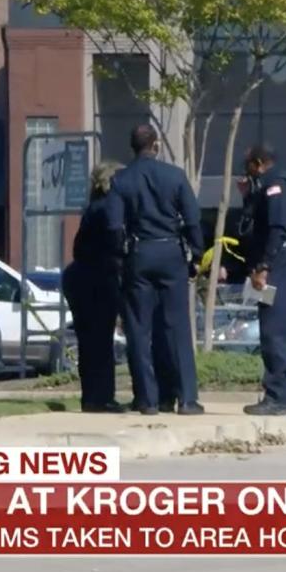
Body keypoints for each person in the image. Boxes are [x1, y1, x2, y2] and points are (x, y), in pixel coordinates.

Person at [107, 124, 205, 415]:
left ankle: (147, 399)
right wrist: (196, 254)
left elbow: (113, 226)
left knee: (139, 329)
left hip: (140, 252)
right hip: (171, 251)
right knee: (177, 327)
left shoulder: (121, 180)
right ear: (156, 145)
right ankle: (186, 398)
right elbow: (192, 220)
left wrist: (121, 256)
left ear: (132, 147)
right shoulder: (174, 176)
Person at [240, 145, 286, 416]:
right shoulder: (282, 180)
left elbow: (278, 228)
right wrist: (247, 196)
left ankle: (280, 397)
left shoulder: (275, 184)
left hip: (280, 261)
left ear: (258, 163)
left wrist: (264, 266)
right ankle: (279, 394)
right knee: (273, 327)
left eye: (248, 167)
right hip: (283, 258)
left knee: (276, 330)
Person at [61, 162, 127, 413]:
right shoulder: (110, 207)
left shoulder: (93, 206)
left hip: (78, 277)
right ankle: (103, 398)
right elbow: (113, 241)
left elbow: (79, 248)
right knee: (101, 340)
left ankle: (91, 397)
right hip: (97, 278)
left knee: (89, 341)